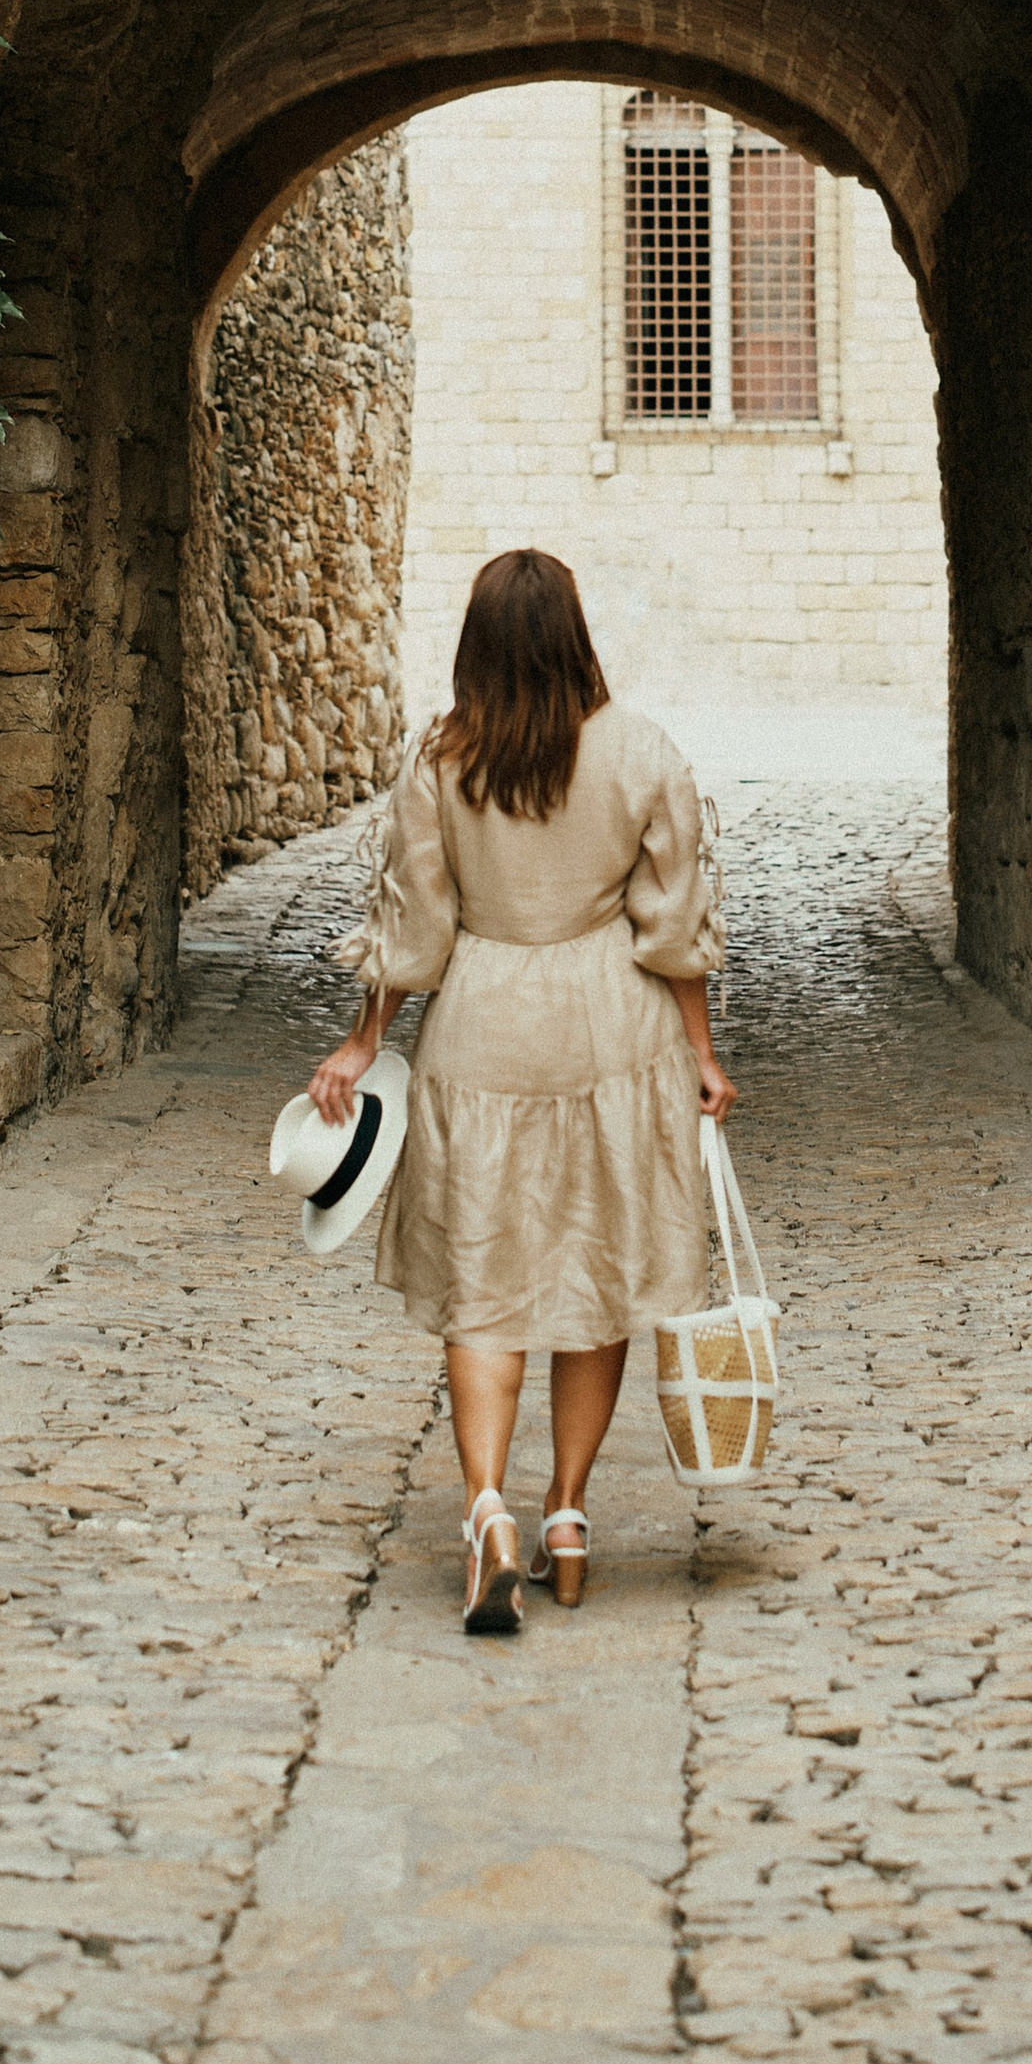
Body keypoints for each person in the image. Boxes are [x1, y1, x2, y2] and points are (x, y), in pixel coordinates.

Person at [309, 549, 735, 1635]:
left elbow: (415, 929)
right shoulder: (641, 751)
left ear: (477, 645)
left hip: (484, 1032)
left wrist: (361, 1042)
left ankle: (487, 1508)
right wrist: (699, 1051)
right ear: (574, 634)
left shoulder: (441, 760)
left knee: (484, 1282)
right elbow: (673, 925)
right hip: (612, 1034)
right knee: (597, 1272)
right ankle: (570, 1516)